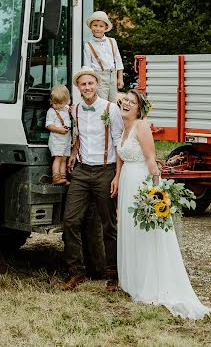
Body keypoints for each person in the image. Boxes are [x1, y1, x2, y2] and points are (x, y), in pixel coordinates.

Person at [114, 89, 211, 319]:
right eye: (125, 101)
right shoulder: (124, 126)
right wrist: (117, 177)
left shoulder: (141, 126)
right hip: (127, 182)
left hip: (142, 183)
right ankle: (132, 279)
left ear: (140, 108)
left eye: (132, 102)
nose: (127, 104)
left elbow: (151, 160)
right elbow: (121, 156)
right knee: (130, 230)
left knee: (145, 231)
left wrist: (157, 192)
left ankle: (149, 282)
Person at [61, 67, 124, 291]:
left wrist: (117, 175)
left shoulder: (110, 109)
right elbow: (79, 135)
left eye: (90, 83)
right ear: (77, 88)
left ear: (96, 85)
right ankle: (76, 273)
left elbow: (118, 143)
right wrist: (73, 153)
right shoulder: (75, 110)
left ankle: (114, 275)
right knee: (70, 221)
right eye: (83, 84)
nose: (87, 87)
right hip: (81, 171)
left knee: (108, 226)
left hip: (105, 171)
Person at [84, 11, 124, 103]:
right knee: (102, 104)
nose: (98, 28)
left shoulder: (112, 41)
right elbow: (87, 67)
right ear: (91, 27)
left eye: (101, 26)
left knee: (113, 103)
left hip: (112, 75)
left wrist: (120, 78)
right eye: (95, 25)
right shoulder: (88, 45)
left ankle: (111, 118)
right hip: (99, 77)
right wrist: (90, 83)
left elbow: (118, 59)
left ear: (106, 28)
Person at [46, 84, 72, 186]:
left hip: (66, 140)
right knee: (58, 157)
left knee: (64, 158)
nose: (57, 105)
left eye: (60, 103)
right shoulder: (52, 111)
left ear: (66, 101)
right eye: (54, 103)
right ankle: (55, 176)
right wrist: (59, 130)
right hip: (57, 140)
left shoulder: (65, 108)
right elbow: (48, 125)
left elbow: (69, 108)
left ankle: (62, 176)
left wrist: (70, 109)